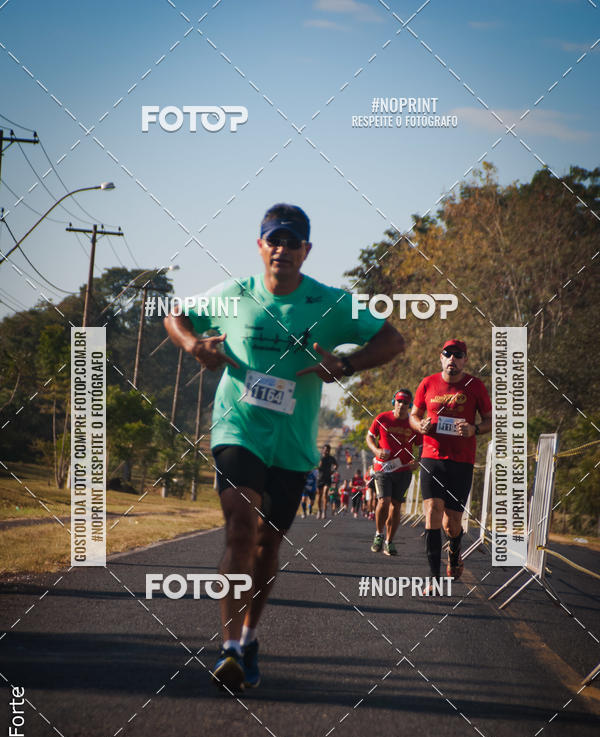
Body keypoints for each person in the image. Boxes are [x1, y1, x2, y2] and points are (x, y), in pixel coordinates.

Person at [164, 203, 404, 691]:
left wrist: (348, 363)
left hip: (294, 445)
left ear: (306, 250)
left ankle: (250, 638)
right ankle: (228, 649)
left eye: (293, 241)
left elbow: (393, 340)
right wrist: (192, 346)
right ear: (260, 245)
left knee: (268, 545)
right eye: (274, 239)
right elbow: (177, 315)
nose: (282, 248)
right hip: (239, 429)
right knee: (240, 526)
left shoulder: (331, 303)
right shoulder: (236, 295)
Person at [409, 339, 492, 582]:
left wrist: (474, 429)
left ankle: (455, 550)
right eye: (448, 354)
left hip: (462, 461)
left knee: (451, 522)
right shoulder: (428, 383)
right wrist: (419, 425)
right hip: (432, 457)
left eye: (458, 355)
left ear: (465, 360)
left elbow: (490, 420)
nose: (452, 359)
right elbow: (414, 416)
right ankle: (434, 577)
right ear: (441, 357)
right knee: (433, 510)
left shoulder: (475, 386)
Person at [367, 389, 422, 556]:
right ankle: (378, 534)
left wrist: (418, 461)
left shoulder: (413, 423)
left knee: (396, 505)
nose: (402, 405)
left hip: (403, 469)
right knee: (384, 501)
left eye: (406, 402)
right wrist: (376, 450)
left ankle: (389, 541)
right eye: (399, 401)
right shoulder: (382, 418)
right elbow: (369, 436)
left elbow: (421, 445)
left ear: (410, 405)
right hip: (382, 468)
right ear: (394, 402)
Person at [316, 443, 338, 519]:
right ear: (323, 450)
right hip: (319, 479)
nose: (326, 451)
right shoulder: (319, 457)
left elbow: (336, 465)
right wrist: (318, 465)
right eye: (325, 450)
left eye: (328, 450)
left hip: (327, 478)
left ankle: (324, 512)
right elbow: (315, 465)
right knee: (319, 496)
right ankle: (319, 510)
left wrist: (333, 470)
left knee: (325, 494)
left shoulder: (331, 458)